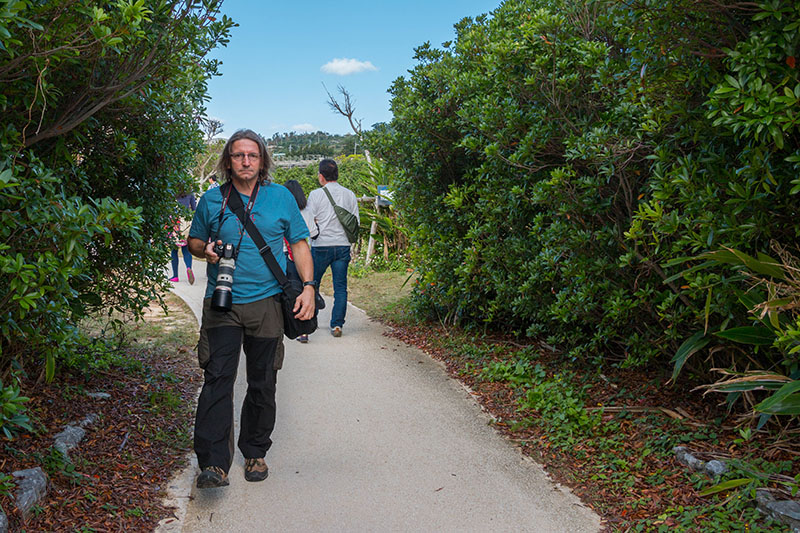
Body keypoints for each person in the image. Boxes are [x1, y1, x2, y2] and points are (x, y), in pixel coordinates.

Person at [186, 129, 316, 489]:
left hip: (267, 304)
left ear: (263, 162)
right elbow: (194, 240)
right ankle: (213, 464)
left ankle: (255, 451)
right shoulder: (212, 200)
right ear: (228, 161)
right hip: (222, 303)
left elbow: (300, 244)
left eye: (252, 156)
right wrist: (205, 250)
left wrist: (308, 287)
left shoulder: (281, 199)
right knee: (217, 381)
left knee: (263, 381)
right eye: (238, 155)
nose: (245, 161)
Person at [307, 158, 359, 337]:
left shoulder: (315, 194)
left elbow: (309, 223)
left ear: (321, 176)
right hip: (342, 246)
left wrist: (312, 238)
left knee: (311, 285)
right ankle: (337, 325)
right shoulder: (349, 194)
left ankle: (307, 325)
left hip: (320, 245)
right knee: (340, 287)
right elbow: (355, 223)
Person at [283, 179, 319, 343]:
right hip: (304, 257)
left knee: (289, 292)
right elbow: (313, 233)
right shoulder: (307, 211)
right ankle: (303, 329)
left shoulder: (281, 210)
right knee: (304, 289)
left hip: (285, 257)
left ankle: (288, 322)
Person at [169, 193, 196, 284]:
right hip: (185, 222)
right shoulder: (190, 192)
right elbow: (194, 208)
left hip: (174, 222)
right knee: (186, 249)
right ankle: (189, 268)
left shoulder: (171, 190)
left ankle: (175, 276)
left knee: (174, 250)